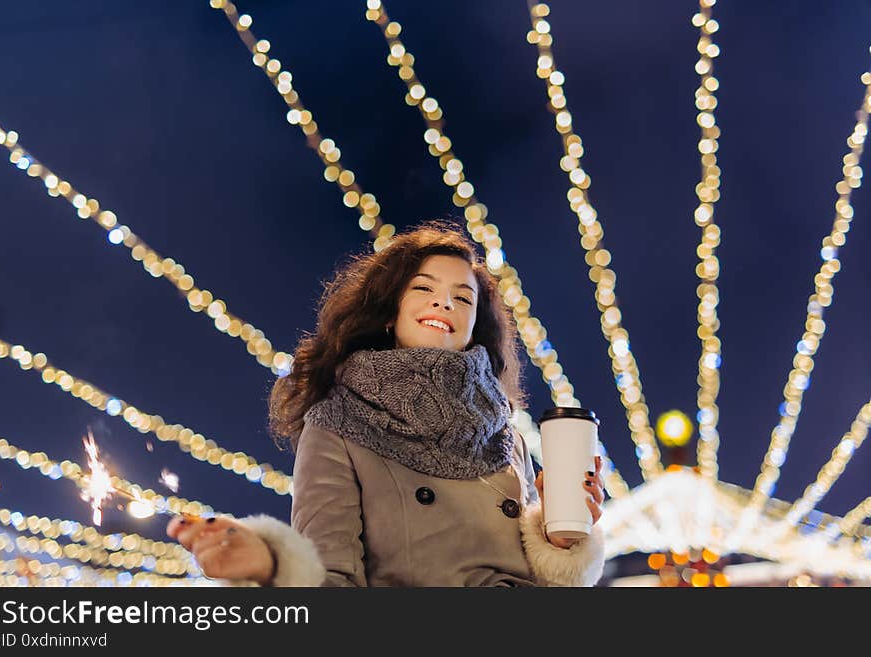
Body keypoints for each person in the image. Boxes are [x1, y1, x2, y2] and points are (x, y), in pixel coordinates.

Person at [167, 221, 606, 586]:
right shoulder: (338, 422)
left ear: (476, 324)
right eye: (424, 287)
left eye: (464, 296)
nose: (444, 301)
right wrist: (272, 567)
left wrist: (561, 538)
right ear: (390, 310)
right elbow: (332, 580)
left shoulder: (503, 433)